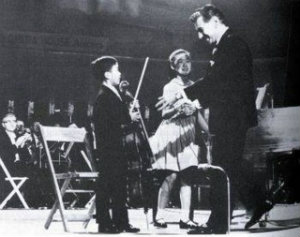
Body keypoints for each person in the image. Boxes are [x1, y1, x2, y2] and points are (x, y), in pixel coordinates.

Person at [156, 4, 274, 233]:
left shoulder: (233, 44)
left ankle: (219, 223)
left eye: (201, 29)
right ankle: (256, 203)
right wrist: (192, 101)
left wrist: (183, 94)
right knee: (228, 167)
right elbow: (219, 86)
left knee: (222, 169)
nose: (200, 36)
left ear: (215, 21)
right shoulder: (225, 46)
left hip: (232, 117)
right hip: (229, 116)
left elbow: (216, 82)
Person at [150, 49, 208, 229]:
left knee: (187, 177)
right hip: (173, 133)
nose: (185, 65)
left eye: (188, 61)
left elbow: (197, 113)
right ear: (174, 66)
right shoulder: (170, 87)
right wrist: (179, 109)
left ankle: (185, 218)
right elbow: (164, 113)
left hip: (188, 134)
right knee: (171, 176)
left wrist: (209, 131)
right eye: (180, 62)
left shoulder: (194, 85)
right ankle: (159, 216)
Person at [91, 56, 140, 233]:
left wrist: (128, 117)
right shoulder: (105, 96)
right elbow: (112, 122)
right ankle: (104, 223)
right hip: (109, 149)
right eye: (116, 70)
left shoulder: (112, 93)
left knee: (119, 185)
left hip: (114, 147)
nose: (120, 73)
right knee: (108, 184)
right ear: (106, 74)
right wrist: (129, 117)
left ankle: (121, 221)